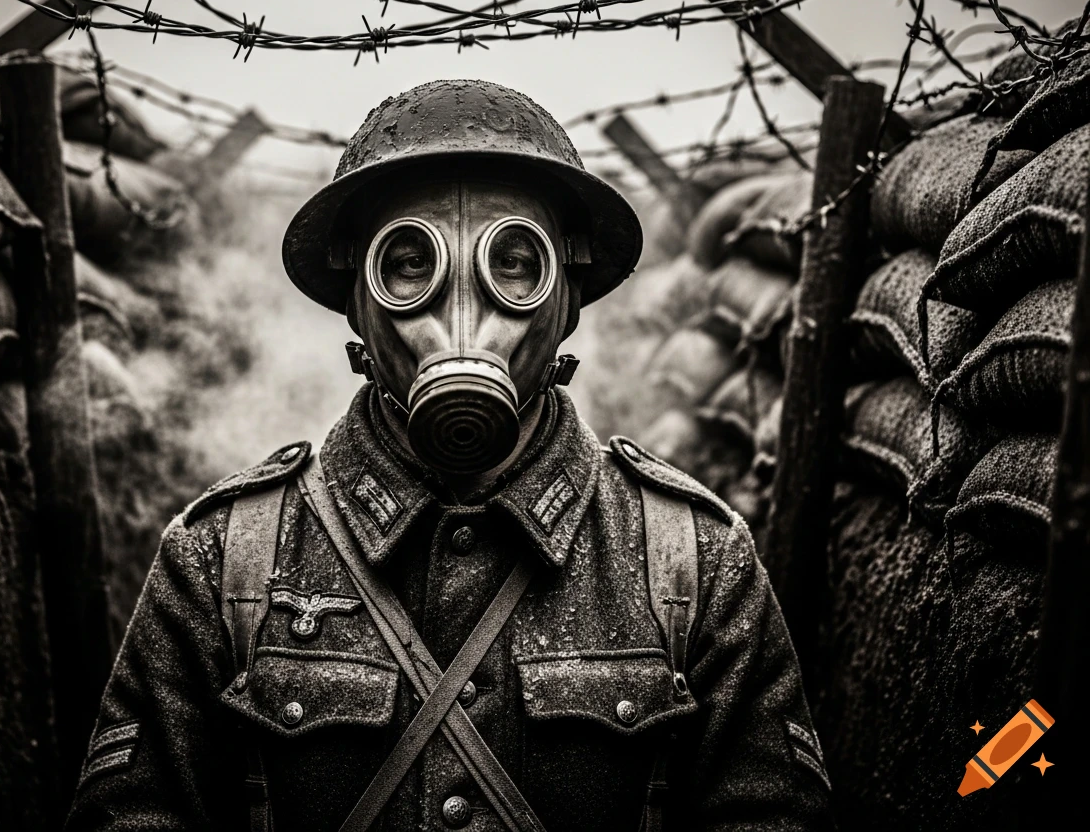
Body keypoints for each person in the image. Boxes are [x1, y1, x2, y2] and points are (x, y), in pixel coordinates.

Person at [67, 80, 833, 832]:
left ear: (568, 298)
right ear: (356, 301)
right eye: (409, 265)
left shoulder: (694, 563)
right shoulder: (222, 560)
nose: (462, 315)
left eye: (514, 264)